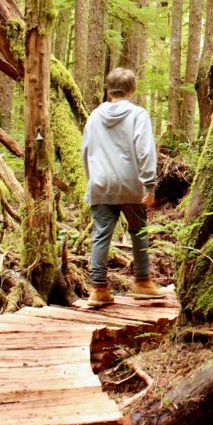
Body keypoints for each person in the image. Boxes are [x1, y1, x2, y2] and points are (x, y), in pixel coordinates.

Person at [81, 68, 164, 307]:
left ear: (108, 89)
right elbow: (145, 149)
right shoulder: (138, 114)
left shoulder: (95, 116)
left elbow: (86, 150)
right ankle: (142, 281)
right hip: (131, 184)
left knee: (100, 235)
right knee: (138, 231)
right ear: (132, 90)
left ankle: (98, 288)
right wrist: (149, 183)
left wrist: (93, 178)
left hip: (100, 183)